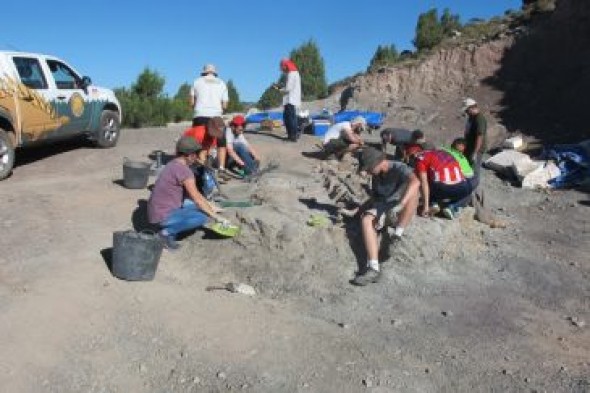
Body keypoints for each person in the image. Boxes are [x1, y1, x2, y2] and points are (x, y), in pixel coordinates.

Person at [351, 147, 420, 286]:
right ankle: (373, 268)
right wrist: (369, 211)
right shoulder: (376, 176)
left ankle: (397, 235)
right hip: (385, 207)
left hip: (400, 206)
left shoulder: (398, 167)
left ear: (378, 162)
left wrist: (401, 204)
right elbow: (376, 198)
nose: (367, 171)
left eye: (369, 167)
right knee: (366, 220)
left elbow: (416, 181)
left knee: (414, 193)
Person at [147, 136, 228, 250]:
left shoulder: (172, 164)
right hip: (162, 216)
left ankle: (167, 228)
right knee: (201, 218)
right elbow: (197, 199)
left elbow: (195, 195)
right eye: (196, 155)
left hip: (155, 213)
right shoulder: (185, 171)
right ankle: (165, 233)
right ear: (190, 155)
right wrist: (216, 217)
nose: (197, 158)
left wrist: (211, 206)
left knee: (196, 206)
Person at [406, 144, 478, 220]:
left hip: (441, 187)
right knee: (469, 190)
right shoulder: (443, 153)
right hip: (461, 187)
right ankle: (452, 207)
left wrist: (425, 207)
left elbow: (424, 184)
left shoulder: (420, 158)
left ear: (413, 155)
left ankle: (432, 203)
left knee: (423, 177)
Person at [275, 58, 301, 142]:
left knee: (289, 118)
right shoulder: (295, 73)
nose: (283, 70)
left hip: (290, 99)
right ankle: (293, 135)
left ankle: (292, 137)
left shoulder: (291, 74)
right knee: (291, 118)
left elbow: (288, 88)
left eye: (283, 67)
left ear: (285, 66)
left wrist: (279, 89)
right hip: (292, 99)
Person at [462, 98, 487, 171]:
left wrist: (475, 152)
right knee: (467, 167)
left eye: (467, 110)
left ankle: (473, 182)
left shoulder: (479, 119)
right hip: (469, 147)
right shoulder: (471, 117)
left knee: (474, 169)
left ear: (472, 108)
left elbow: (480, 136)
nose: (466, 112)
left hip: (476, 149)